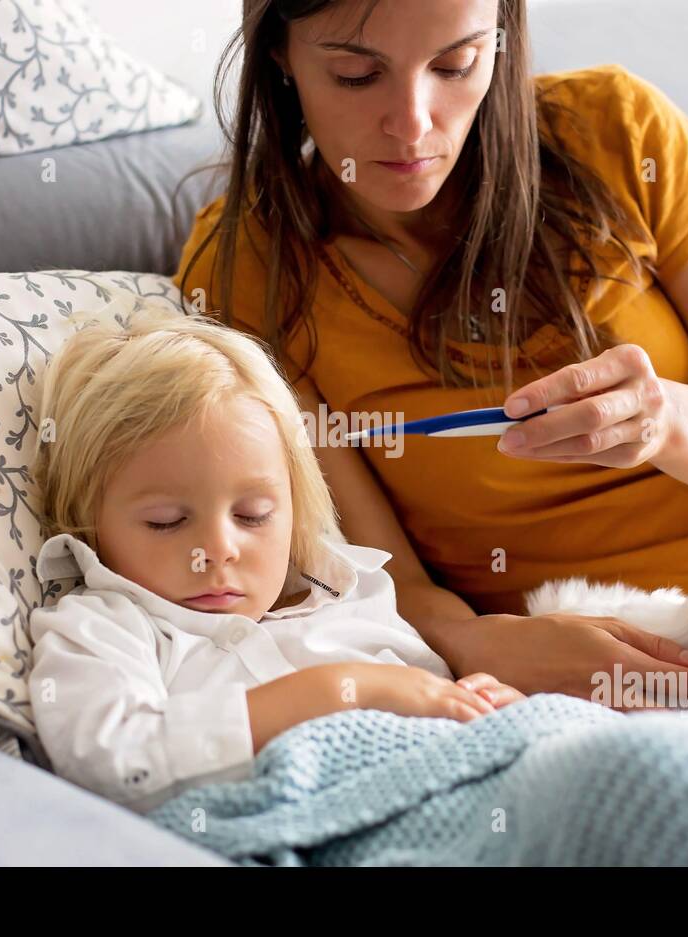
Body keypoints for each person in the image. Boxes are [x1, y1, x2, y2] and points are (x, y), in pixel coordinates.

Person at [174, 0, 688, 769]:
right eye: (357, 75)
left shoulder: (614, 128)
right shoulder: (249, 271)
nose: (414, 122)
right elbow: (361, 572)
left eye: (457, 64)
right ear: (279, 50)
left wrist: (667, 423)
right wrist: (482, 642)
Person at [27, 308, 538, 813]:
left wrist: (487, 705)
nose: (220, 549)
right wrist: (338, 692)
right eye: (166, 521)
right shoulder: (104, 629)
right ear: (88, 518)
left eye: (253, 515)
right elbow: (111, 762)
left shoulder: (352, 588)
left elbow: (431, 698)